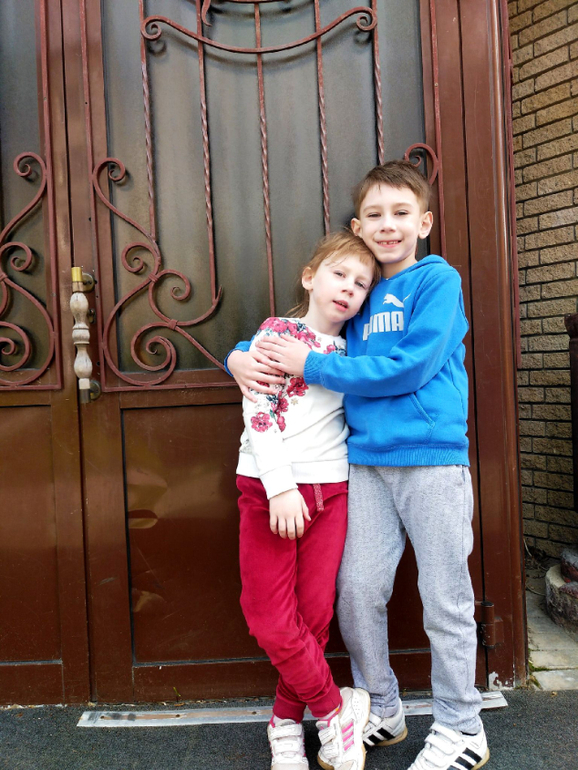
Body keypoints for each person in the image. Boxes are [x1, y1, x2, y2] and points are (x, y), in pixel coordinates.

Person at [228, 160, 490, 770]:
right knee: (356, 592)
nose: (388, 224)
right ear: (358, 226)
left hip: (430, 460)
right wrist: (238, 355)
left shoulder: (436, 280)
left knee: (444, 597)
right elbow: (303, 334)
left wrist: (311, 367)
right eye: (375, 214)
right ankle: (383, 708)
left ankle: (462, 727)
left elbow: (410, 367)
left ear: (424, 222)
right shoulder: (361, 293)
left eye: (401, 213)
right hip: (363, 465)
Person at [235, 231, 382, 770]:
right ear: (309, 277)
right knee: (270, 619)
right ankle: (334, 710)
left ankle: (284, 725)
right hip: (269, 491)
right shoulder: (278, 332)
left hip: (332, 492)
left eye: (361, 284)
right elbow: (258, 409)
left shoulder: (357, 349)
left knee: (314, 618)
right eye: (339, 274)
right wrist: (279, 487)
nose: (348, 288)